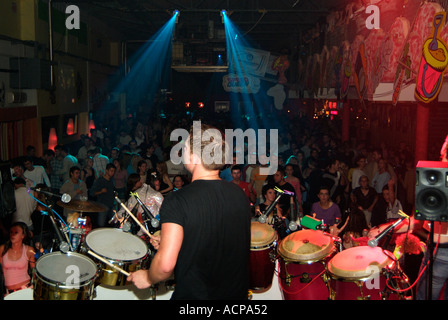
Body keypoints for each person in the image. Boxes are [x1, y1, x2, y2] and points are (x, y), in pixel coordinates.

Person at [127, 123, 251, 300]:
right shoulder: (239, 195)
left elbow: (165, 266)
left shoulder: (177, 200)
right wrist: (175, 238)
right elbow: (215, 238)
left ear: (195, 157)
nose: (180, 152)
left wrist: (147, 277)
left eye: (184, 147)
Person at [0, 222, 36, 296]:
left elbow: (34, 271)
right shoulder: (2, 249)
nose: (12, 235)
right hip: (9, 293)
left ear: (23, 235)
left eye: (16, 232)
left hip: (25, 289)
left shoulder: (29, 250)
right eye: (11, 232)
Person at [89, 163, 116, 228]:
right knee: (101, 225)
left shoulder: (112, 181)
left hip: (111, 205)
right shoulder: (100, 181)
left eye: (114, 171)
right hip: (102, 206)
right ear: (106, 171)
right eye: (111, 171)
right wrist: (101, 191)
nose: (113, 173)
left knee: (114, 223)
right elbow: (92, 193)